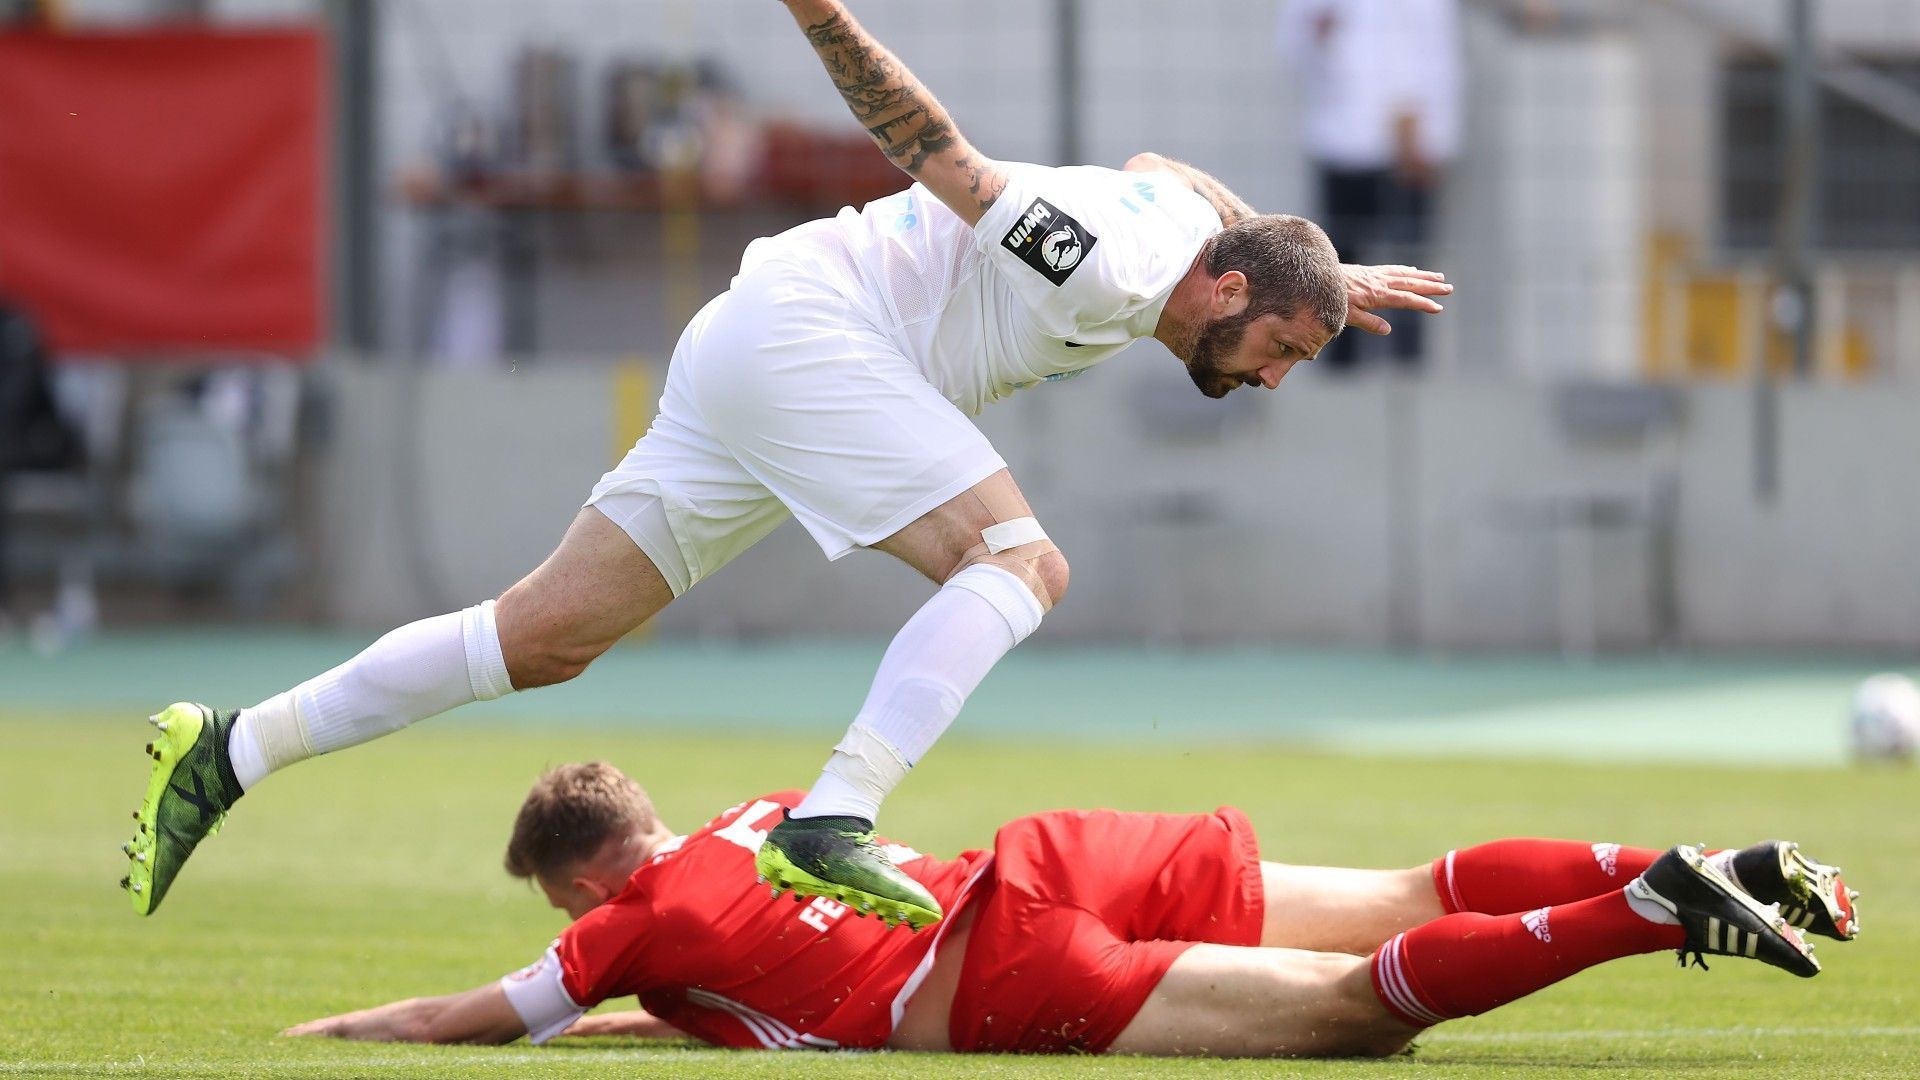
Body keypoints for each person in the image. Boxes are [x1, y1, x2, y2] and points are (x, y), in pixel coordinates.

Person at [121, 0, 1451, 928]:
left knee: (545, 640)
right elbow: (950, 165)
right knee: (1021, 562)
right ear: (1221, 289)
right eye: (1277, 345)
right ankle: (836, 818)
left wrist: (1330, 273)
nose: (1270, 376)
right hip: (821, 340)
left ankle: (232, 750)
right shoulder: (1113, 259)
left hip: (766, 347)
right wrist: (815, 9)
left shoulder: (1197, 234)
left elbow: (1176, 171)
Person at [283, 762, 1857, 1057]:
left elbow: (458, 1019)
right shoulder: (763, 817)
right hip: (1043, 858)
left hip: (986, 976)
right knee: (1399, 889)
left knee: (1339, 1021)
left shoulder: (622, 924)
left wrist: (324, 1030)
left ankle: (1654, 907)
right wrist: (653, 1023)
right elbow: (735, 973)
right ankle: (1691, 860)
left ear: (584, 879)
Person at [1277, 0, 1461, 371]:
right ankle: (1341, 376)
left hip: (1406, 149)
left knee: (1409, 271)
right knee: (1337, 271)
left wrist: (1427, 132)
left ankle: (1407, 372)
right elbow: (1294, 45)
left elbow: (1434, 53)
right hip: (1341, 145)